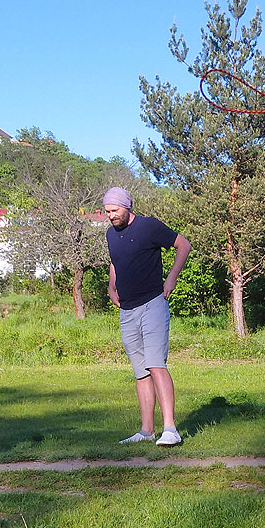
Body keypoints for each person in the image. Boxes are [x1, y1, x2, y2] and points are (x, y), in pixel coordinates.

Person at [102, 186, 192, 447]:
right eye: (107, 211)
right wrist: (111, 287)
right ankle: (146, 431)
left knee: (155, 364)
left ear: (127, 207)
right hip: (127, 310)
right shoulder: (111, 234)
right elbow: (115, 262)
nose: (110, 216)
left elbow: (183, 245)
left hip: (153, 303)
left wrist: (171, 280)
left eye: (114, 210)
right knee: (141, 372)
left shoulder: (149, 226)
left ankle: (170, 429)